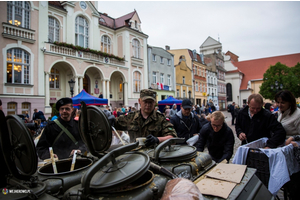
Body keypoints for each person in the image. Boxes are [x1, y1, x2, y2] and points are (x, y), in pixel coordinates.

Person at [112, 89, 177, 146]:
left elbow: (173, 138)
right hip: (134, 155)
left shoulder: (161, 119)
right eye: (145, 102)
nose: (148, 105)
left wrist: (157, 140)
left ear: (154, 103)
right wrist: (109, 119)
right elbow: (112, 124)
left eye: (150, 102)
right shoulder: (130, 117)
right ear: (139, 101)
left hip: (154, 156)